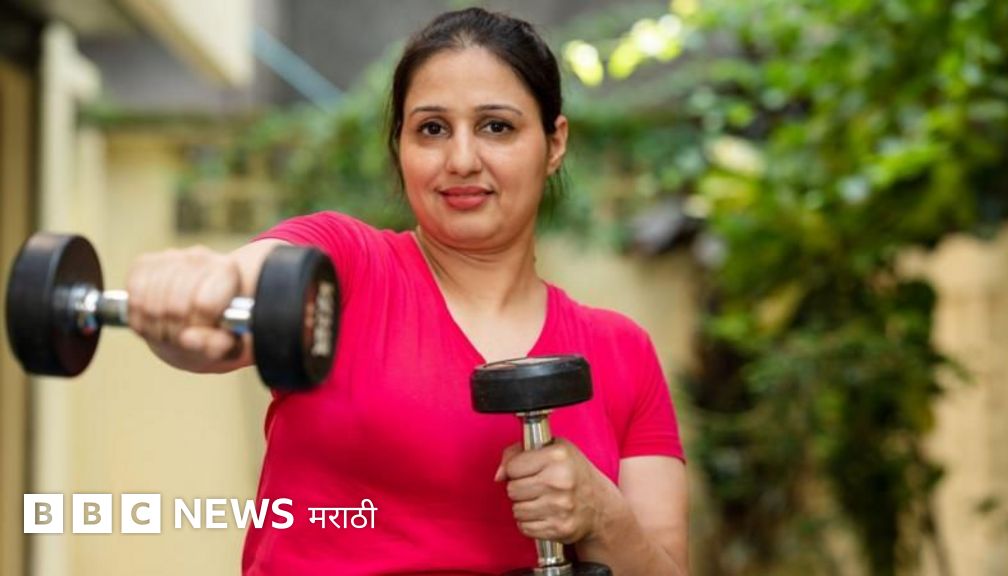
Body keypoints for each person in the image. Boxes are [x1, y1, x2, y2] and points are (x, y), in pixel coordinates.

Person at [126, 7, 689, 575]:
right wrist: (194, 290)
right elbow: (228, 312)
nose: (461, 160)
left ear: (554, 142)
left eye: (496, 127)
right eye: (432, 129)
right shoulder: (345, 267)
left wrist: (601, 514)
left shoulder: (621, 352)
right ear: (400, 145)